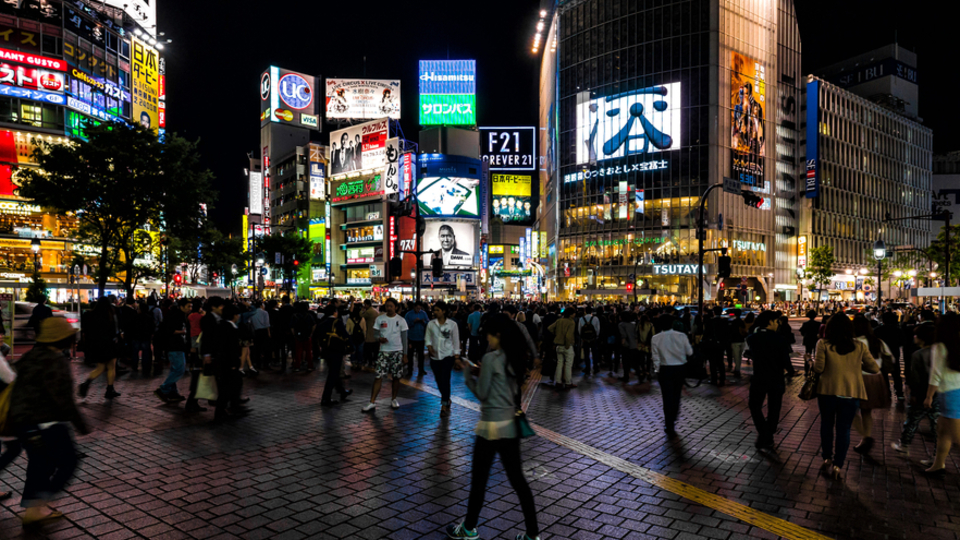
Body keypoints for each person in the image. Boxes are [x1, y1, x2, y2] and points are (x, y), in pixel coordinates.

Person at [446, 314, 540, 540]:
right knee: (518, 481)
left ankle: (468, 528)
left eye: (488, 334)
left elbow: (482, 394)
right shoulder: (515, 357)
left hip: (490, 427)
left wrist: (467, 373)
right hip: (511, 426)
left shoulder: (491, 358)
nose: (486, 339)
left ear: (497, 335)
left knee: (479, 480)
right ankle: (532, 534)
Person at [9, 317, 90, 525]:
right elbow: (63, 400)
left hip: (23, 422)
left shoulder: (30, 357)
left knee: (39, 464)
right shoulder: (55, 362)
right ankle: (40, 502)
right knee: (68, 462)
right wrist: (82, 426)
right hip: (47, 422)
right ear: (62, 339)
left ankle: (32, 508)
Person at [813, 314, 879, 480]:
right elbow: (874, 368)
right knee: (844, 429)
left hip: (827, 391)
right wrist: (856, 365)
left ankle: (827, 457)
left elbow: (819, 368)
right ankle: (838, 465)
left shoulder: (823, 344)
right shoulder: (859, 346)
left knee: (826, 425)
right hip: (851, 392)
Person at [745, 311, 792, 449]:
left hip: (759, 377)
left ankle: (764, 433)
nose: (778, 324)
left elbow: (748, 353)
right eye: (777, 321)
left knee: (754, 406)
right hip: (776, 378)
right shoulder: (780, 339)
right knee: (774, 408)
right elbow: (786, 361)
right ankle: (768, 433)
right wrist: (791, 371)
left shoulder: (753, 338)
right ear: (770, 322)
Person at [922, 313, 960, 476]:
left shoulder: (940, 346)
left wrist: (929, 395)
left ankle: (938, 465)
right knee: (942, 431)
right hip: (956, 390)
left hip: (949, 392)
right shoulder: (957, 343)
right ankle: (938, 464)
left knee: (957, 436)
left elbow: (935, 374)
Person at [892, 323, 938, 456]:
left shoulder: (918, 355)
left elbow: (916, 377)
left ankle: (904, 444)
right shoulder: (940, 353)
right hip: (938, 392)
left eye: (916, 335)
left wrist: (913, 393)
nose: (914, 337)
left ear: (922, 338)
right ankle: (937, 455)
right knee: (936, 424)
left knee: (912, 419)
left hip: (922, 392)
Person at [851, 315, 893, 455]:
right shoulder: (878, 342)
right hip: (876, 379)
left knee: (850, 410)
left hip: (858, 379)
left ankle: (866, 437)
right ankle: (864, 439)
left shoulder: (854, 342)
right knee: (866, 411)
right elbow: (890, 358)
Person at [362, 298, 408, 412]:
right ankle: (372, 401)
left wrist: (405, 354)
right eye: (387, 306)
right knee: (378, 376)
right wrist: (379, 339)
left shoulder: (401, 320)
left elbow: (404, 338)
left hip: (397, 351)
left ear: (396, 307)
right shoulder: (380, 319)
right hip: (384, 351)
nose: (389, 308)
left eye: (391, 306)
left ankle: (394, 399)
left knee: (396, 377)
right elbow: (375, 333)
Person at [652, 315, 692, 438]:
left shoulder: (656, 338)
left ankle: (669, 423)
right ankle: (673, 416)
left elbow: (656, 357)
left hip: (665, 369)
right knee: (676, 394)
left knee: (666, 396)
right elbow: (689, 352)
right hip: (680, 368)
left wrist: (657, 370)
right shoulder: (681, 336)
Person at [78, 297, 121, 400]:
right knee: (111, 367)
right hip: (109, 344)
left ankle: (86, 384)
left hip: (96, 345)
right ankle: (109, 389)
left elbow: (86, 330)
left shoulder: (89, 314)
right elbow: (114, 331)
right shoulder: (110, 315)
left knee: (100, 368)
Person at [425, 301, 460, 417]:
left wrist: (456, 357)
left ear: (444, 311)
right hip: (435, 357)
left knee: (445, 379)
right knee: (439, 380)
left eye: (437, 310)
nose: (435, 312)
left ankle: (444, 404)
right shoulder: (431, 324)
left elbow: (456, 341)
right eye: (434, 310)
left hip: (447, 356)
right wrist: (429, 347)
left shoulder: (452, 325)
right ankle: (447, 398)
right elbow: (427, 338)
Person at [155, 299, 191, 403]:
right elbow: (169, 330)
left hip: (176, 346)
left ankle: (172, 392)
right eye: (188, 306)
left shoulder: (179, 315)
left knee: (175, 369)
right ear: (181, 306)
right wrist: (182, 332)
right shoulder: (176, 316)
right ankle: (164, 388)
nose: (190, 309)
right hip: (174, 346)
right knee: (179, 369)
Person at [318, 305, 353, 406]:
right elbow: (345, 335)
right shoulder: (337, 322)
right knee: (333, 374)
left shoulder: (322, 323)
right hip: (336, 350)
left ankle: (342, 392)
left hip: (326, 350)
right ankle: (326, 398)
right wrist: (351, 347)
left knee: (334, 371)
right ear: (334, 312)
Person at [874, 311, 905, 402]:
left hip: (881, 356)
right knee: (897, 374)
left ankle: (886, 393)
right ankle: (899, 393)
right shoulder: (898, 330)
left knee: (884, 375)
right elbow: (902, 343)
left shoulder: (877, 330)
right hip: (895, 355)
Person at [548, 308, 576, 389]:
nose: (575, 315)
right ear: (571, 314)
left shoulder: (559, 320)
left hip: (558, 345)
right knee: (568, 364)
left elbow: (550, 328)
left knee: (559, 363)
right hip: (567, 346)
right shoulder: (571, 322)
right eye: (574, 313)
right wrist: (567, 345)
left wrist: (557, 334)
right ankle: (568, 382)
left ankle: (558, 381)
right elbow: (568, 336)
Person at [404, 302, 430, 377]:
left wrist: (423, 322)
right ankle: (410, 370)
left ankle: (421, 370)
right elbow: (406, 325)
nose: (418, 310)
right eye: (417, 308)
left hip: (421, 337)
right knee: (410, 355)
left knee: (421, 355)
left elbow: (428, 323)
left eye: (419, 308)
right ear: (414, 307)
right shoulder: (409, 314)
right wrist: (413, 322)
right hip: (411, 337)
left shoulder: (423, 313)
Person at [290, 302, 316, 373]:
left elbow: (292, 327)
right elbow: (314, 325)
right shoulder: (309, 315)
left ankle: (297, 366)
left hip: (298, 336)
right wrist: (311, 334)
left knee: (298, 352)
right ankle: (310, 366)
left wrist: (294, 334)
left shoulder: (294, 316)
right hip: (307, 335)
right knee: (308, 352)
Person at [578, 307, 601, 376]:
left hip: (585, 339)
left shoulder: (581, 319)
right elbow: (598, 329)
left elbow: (579, 330)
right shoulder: (595, 318)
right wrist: (596, 336)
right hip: (593, 339)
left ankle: (587, 368)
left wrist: (582, 337)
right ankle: (595, 367)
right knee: (595, 353)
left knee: (586, 354)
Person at [799, 310, 822, 375]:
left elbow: (802, 331)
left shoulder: (805, 324)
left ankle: (807, 370)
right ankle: (816, 369)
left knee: (807, 354)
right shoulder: (818, 324)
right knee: (816, 355)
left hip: (808, 341)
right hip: (815, 340)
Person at [362, 300, 380, 371]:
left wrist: (361, 310)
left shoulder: (368, 312)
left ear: (366, 305)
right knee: (375, 350)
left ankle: (370, 362)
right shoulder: (375, 311)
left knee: (368, 349)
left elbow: (361, 316)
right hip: (375, 333)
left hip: (369, 333)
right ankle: (375, 362)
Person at [728, 310, 747, 378]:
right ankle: (737, 369)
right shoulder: (742, 322)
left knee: (736, 356)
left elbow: (730, 332)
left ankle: (737, 370)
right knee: (739, 356)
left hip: (735, 341)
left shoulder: (733, 322)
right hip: (741, 340)